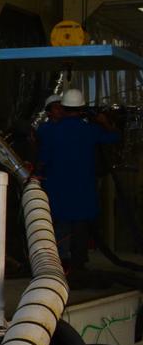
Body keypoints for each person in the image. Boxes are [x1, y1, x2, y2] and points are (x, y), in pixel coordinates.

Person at [35, 88, 120, 271]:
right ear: (82, 109)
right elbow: (114, 137)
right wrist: (104, 122)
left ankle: (56, 266)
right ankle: (78, 265)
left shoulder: (49, 131)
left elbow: (43, 159)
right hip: (83, 191)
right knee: (81, 229)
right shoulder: (91, 131)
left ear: (63, 108)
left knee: (57, 229)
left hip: (56, 190)